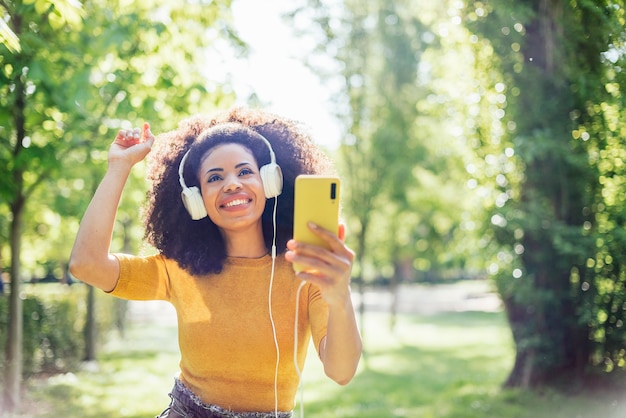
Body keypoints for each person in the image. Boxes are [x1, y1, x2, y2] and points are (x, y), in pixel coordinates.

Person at [69, 107, 362, 418]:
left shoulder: (304, 270)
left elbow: (341, 372)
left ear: (271, 182)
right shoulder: (178, 269)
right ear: (195, 200)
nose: (232, 184)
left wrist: (339, 295)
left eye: (245, 171)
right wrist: (119, 166)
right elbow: (87, 264)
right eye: (215, 177)